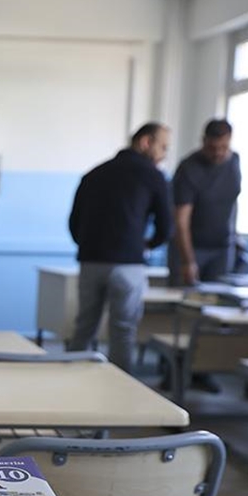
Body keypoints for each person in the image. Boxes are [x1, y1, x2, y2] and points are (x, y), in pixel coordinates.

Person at [68, 122, 172, 374]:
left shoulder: (93, 174)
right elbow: (166, 225)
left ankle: (69, 382)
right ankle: (122, 391)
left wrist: (90, 246)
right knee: (123, 330)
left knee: (85, 326)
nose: (164, 154)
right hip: (128, 263)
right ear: (145, 142)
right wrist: (148, 244)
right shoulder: (153, 175)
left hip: (91, 261)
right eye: (163, 147)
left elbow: (74, 222)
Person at [170, 119, 241, 286]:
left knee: (219, 303)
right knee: (185, 304)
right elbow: (181, 220)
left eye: (223, 148)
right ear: (203, 141)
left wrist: (236, 236)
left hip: (223, 248)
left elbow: (231, 202)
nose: (218, 153)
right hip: (191, 248)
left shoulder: (235, 161)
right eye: (212, 148)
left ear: (230, 140)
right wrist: (188, 261)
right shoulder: (188, 168)